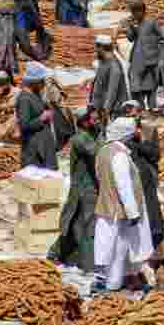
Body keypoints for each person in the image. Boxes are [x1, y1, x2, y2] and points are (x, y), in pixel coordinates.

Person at [93, 116, 154, 292]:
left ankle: (116, 280)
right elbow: (124, 186)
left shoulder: (103, 151)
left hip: (107, 205)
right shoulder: (119, 155)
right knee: (118, 248)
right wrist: (133, 212)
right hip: (118, 210)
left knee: (113, 247)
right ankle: (113, 283)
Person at [49, 108, 99, 273]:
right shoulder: (81, 139)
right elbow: (96, 152)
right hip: (85, 189)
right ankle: (88, 264)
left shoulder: (89, 136)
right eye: (93, 120)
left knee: (75, 224)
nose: (97, 122)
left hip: (86, 187)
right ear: (84, 122)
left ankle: (57, 253)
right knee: (88, 225)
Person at [123, 101, 164, 249]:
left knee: (151, 209)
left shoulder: (148, 130)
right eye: (129, 116)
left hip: (148, 176)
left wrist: (141, 142)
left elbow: (155, 155)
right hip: (132, 177)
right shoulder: (122, 131)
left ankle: (156, 237)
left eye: (135, 115)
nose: (132, 119)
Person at [0, 3, 47, 90]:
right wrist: (39, 56)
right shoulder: (16, 25)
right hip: (2, 66)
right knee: (6, 95)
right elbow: (25, 46)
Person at [125, 0, 164, 111]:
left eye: (136, 12)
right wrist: (131, 27)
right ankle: (139, 108)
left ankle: (152, 109)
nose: (134, 14)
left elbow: (162, 40)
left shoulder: (151, 23)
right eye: (132, 12)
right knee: (135, 87)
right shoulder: (135, 24)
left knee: (151, 87)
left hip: (150, 61)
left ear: (142, 11)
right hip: (137, 59)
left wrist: (159, 55)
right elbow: (130, 38)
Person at [16, 62, 58, 170]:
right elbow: (24, 125)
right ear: (33, 82)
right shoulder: (24, 99)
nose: (44, 83)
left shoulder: (36, 94)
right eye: (41, 81)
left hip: (44, 144)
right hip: (35, 148)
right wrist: (41, 119)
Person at [90, 35, 128, 125]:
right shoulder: (103, 62)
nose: (95, 50)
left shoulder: (113, 66)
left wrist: (106, 110)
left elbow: (112, 90)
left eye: (96, 47)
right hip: (103, 108)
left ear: (102, 47)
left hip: (114, 110)